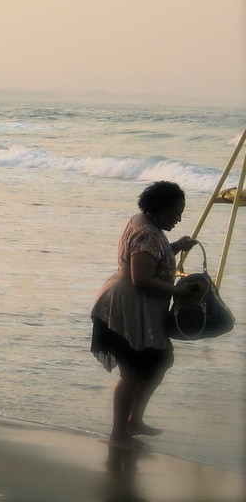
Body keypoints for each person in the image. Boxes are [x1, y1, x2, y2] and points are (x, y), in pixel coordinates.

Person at [90, 181, 199, 449]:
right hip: (126, 310)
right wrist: (177, 291)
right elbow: (141, 278)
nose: (178, 218)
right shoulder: (147, 234)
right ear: (159, 209)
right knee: (133, 372)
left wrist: (176, 246)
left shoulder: (145, 224)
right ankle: (118, 435)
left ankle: (134, 421)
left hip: (137, 308)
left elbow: (150, 256)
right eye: (175, 213)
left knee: (157, 364)